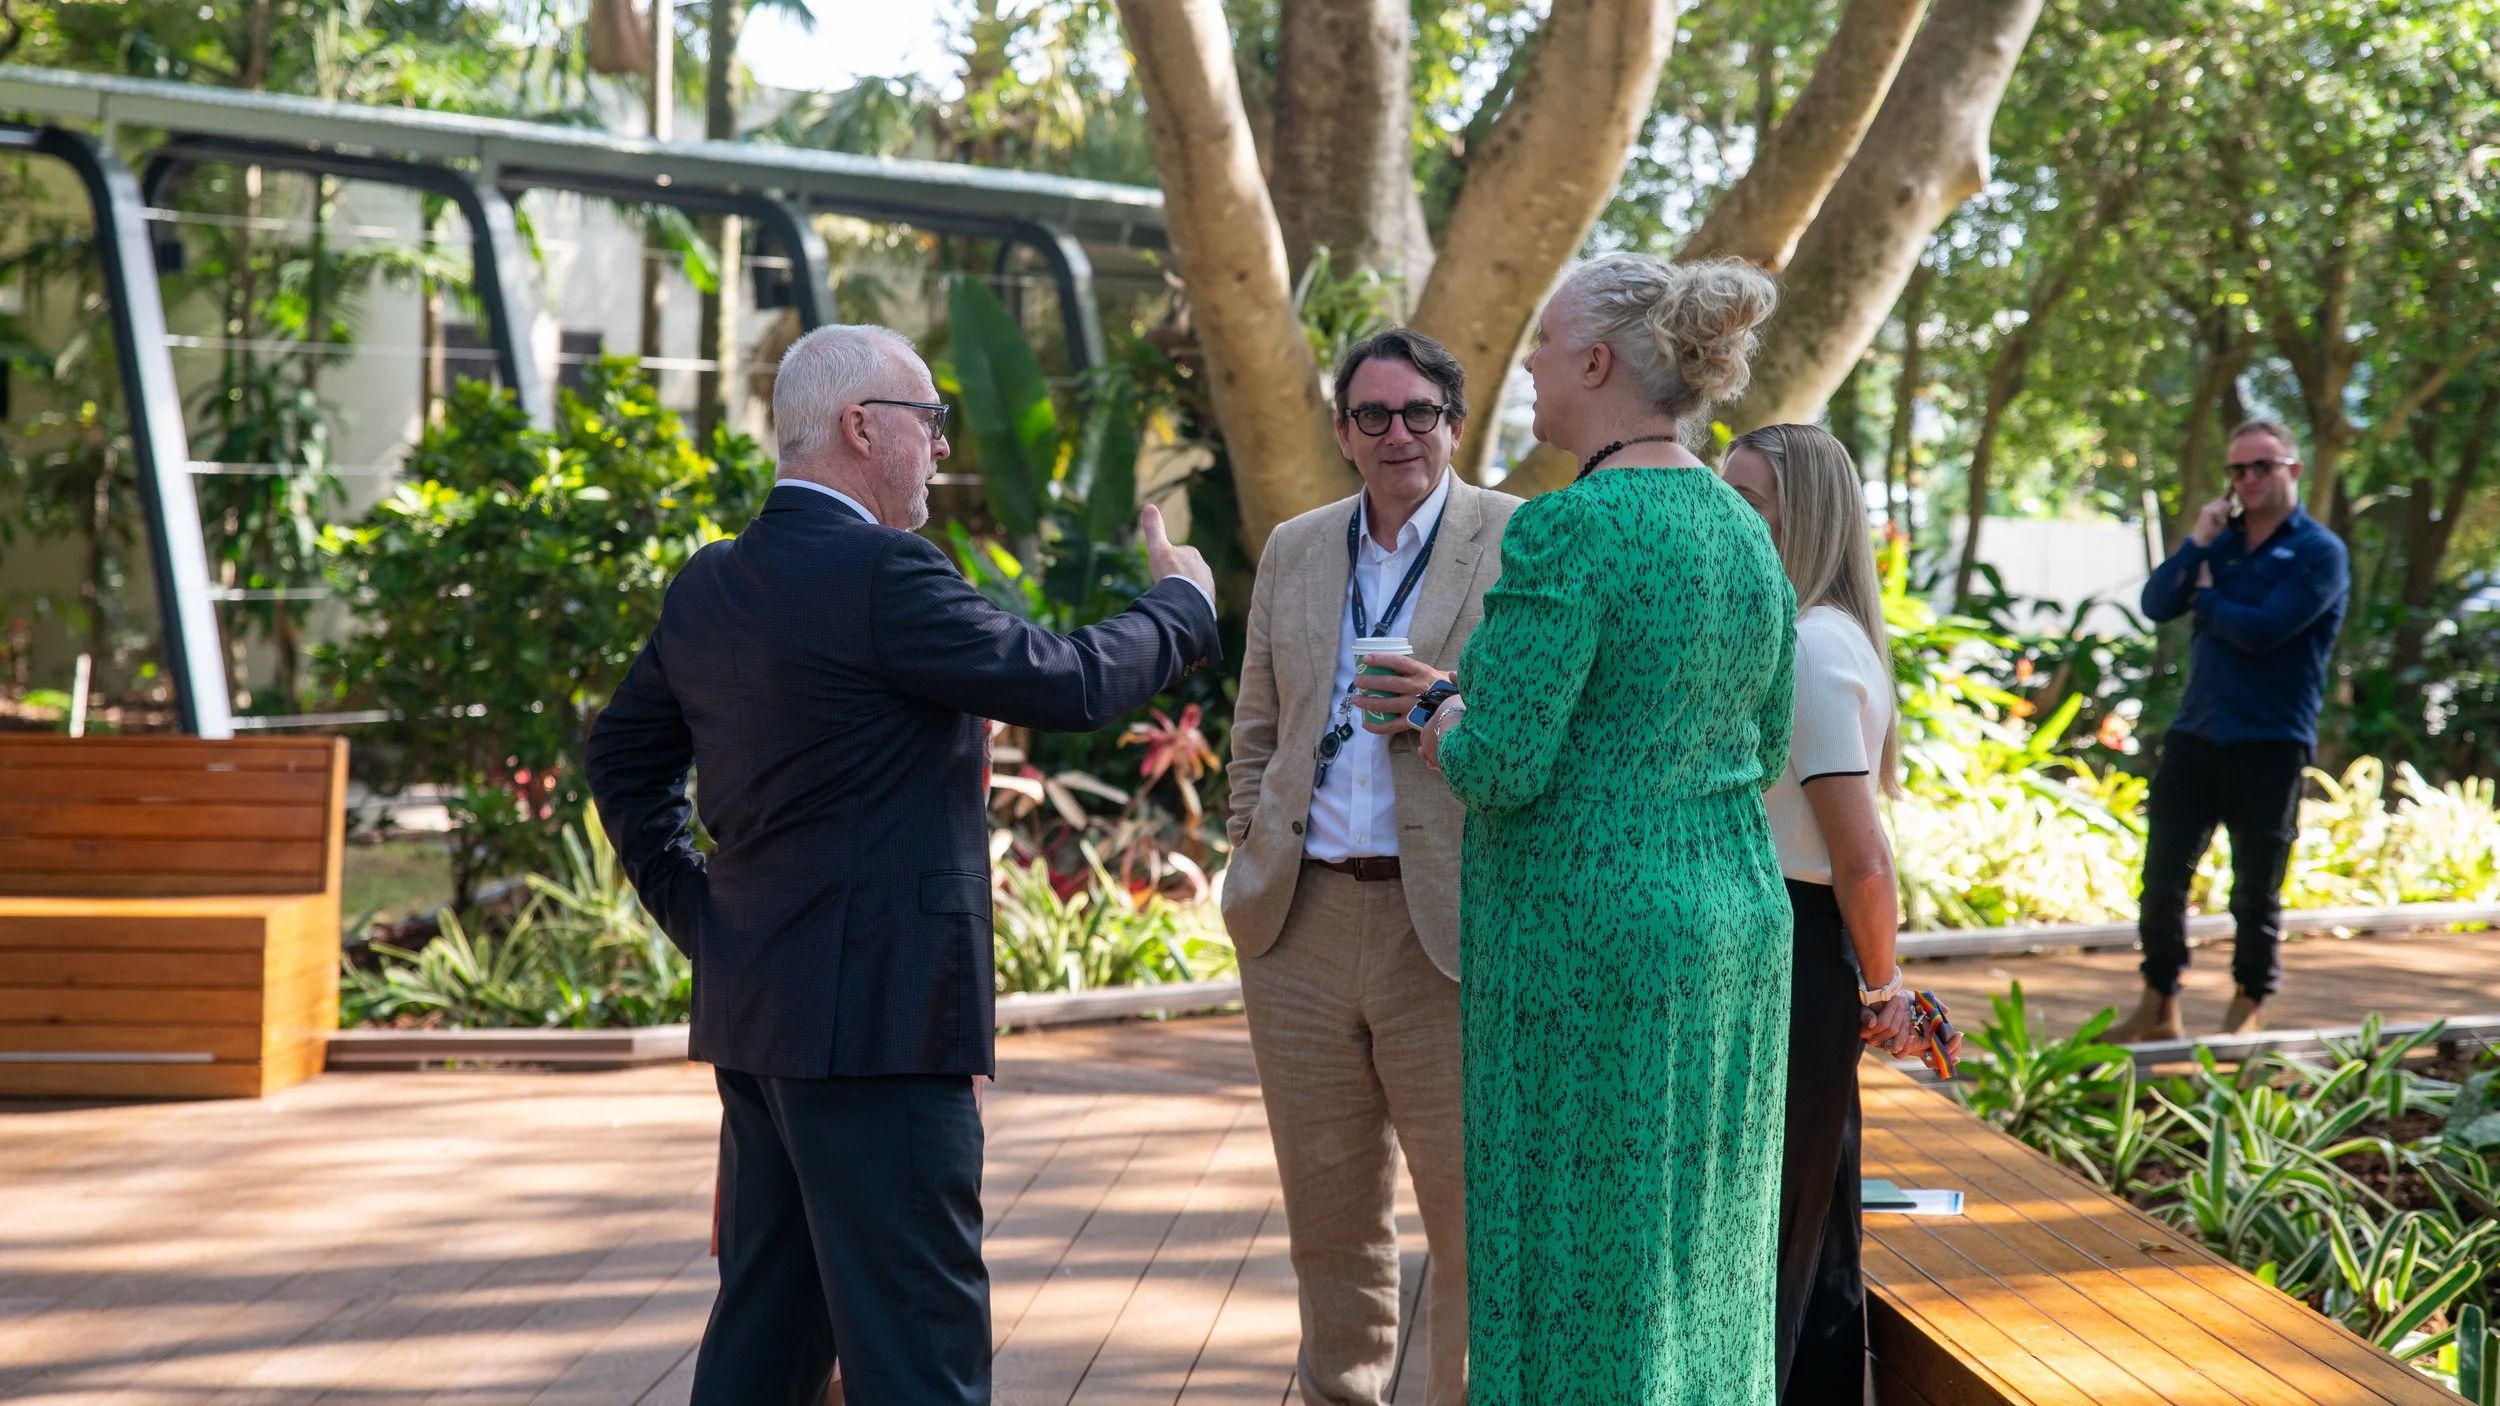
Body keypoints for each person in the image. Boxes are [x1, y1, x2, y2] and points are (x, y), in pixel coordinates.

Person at [583, 324, 1221, 1406]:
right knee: (918, 1351)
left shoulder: (713, 580)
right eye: (929, 420)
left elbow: (622, 758)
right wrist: (1181, 607)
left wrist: (712, 921)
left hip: (763, 1018)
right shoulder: (883, 570)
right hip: (880, 1027)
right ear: (861, 427)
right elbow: (1065, 681)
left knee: (767, 1338)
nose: (942, 447)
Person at [1413, 254, 1792, 1404]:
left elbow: (1501, 763)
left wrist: (1440, 713)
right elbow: (1765, 740)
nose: (1525, 362)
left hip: (1586, 944)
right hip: (1730, 925)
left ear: (1593, 363)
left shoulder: (1570, 529)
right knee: (1701, 1253)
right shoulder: (1742, 529)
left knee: (1578, 1252)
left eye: (1542, 340)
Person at [1223, 328, 1521, 1406]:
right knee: (1329, 1218)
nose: (1399, 434)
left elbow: (1542, 727)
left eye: (1420, 412)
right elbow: (1257, 722)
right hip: (1298, 922)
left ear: (1455, 423)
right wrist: (1250, 835)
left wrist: (1448, 700)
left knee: (1470, 1221)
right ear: (1344, 431)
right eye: (1373, 415)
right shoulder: (1298, 547)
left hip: (1444, 927)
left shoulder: (1518, 540)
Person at [1721, 423, 1962, 1402]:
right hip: (1798, 950)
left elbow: (1862, 861)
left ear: (1804, 516)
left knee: (1783, 1235)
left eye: (1747, 501)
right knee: (1813, 1229)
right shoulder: (1810, 635)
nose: (1725, 518)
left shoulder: (1812, 646)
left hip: (1797, 952)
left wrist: (1883, 985)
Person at [2113, 418, 2350, 1041]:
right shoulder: (2218, 543)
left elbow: (2265, 631)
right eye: (2237, 469)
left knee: (2255, 890)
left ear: (2292, 469)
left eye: (2261, 466)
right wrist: (2197, 544)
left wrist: (2209, 599)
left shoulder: (2320, 551)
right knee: (2162, 879)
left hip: (2270, 742)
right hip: (2197, 736)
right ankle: (2158, 1005)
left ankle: (2248, 1008)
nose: (2247, 479)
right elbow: (2157, 604)